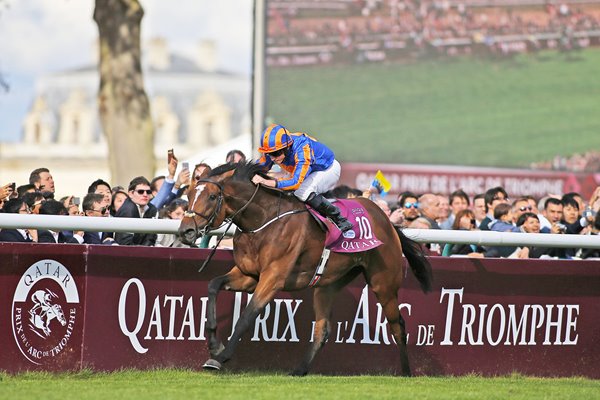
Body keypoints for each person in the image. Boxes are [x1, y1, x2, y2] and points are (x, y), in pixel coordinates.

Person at [252, 124, 352, 232]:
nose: (272, 158)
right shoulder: (275, 149)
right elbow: (258, 168)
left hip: (327, 169)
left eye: (275, 154)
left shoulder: (302, 148)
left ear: (287, 147)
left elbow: (295, 183)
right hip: (306, 171)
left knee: (301, 191)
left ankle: (339, 219)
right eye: (268, 154)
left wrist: (267, 182)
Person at [114, 176, 158, 246]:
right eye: (141, 192)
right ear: (131, 194)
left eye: (148, 192)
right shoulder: (127, 210)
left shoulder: (151, 208)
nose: (145, 195)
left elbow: (151, 238)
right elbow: (125, 244)